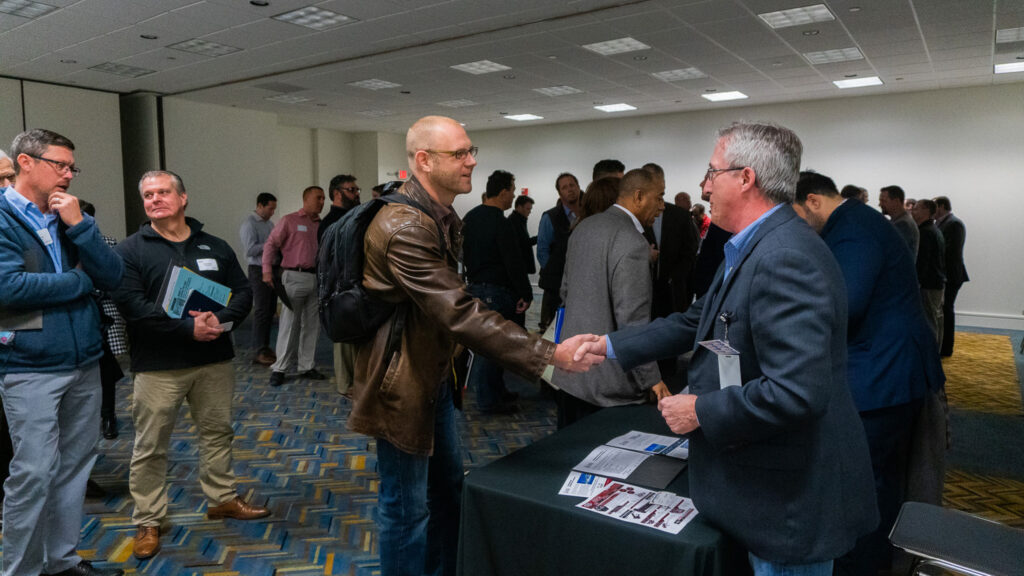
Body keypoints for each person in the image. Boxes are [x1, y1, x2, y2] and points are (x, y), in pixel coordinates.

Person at [575, 121, 876, 574]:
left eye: (712, 172)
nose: (703, 185)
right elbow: (697, 322)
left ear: (746, 177)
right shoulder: (757, 246)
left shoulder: (784, 257)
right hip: (763, 487)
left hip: (788, 504)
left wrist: (700, 411)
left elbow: (797, 392)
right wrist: (610, 345)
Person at [347, 115, 601, 576]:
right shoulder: (404, 226)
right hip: (399, 384)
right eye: (459, 154)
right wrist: (550, 354)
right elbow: (460, 311)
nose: (471, 162)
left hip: (433, 379)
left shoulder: (438, 215)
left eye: (471, 150)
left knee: (446, 496)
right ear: (423, 161)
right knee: (406, 511)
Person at [793, 171, 945, 575]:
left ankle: (864, 564)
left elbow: (844, 304)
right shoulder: (856, 222)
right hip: (887, 369)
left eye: (793, 215)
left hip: (883, 376)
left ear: (812, 201)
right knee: (880, 480)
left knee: (867, 484)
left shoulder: (853, 228)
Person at [112, 170, 268, 560]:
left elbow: (244, 291)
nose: (155, 199)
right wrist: (187, 329)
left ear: (183, 199)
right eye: (148, 194)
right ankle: (149, 519)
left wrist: (223, 320)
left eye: (163, 192)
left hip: (214, 360)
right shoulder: (130, 250)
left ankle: (222, 499)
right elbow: (132, 307)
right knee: (151, 446)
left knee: (217, 433)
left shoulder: (214, 247)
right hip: (158, 366)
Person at [0, 129, 124, 576]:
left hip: (84, 362)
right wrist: (78, 282)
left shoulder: (69, 215)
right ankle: (20, 571)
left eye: (73, 167)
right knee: (32, 475)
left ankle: (61, 562)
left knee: (74, 470)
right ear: (26, 162)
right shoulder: (1, 217)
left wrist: (81, 227)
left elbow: (111, 275)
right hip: (30, 366)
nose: (69, 174)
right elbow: (7, 288)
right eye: (61, 165)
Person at [554, 169, 669, 428]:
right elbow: (633, 323)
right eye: (659, 197)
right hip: (610, 388)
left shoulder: (583, 228)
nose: (662, 206)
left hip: (571, 374)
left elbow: (565, 292)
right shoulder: (633, 243)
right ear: (638, 197)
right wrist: (652, 379)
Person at [462, 170, 533, 414]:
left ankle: (496, 392)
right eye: (513, 190)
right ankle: (489, 400)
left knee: (487, 346)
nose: (514, 195)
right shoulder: (500, 222)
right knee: (494, 349)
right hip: (497, 291)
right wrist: (525, 292)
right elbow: (512, 262)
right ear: (503, 193)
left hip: (475, 288)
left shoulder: (469, 218)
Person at [262, 185, 326, 386]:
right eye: (319, 198)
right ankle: (280, 368)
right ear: (306, 199)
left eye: (324, 198)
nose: (322, 202)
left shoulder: (321, 225)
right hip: (293, 276)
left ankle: (306, 366)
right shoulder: (289, 221)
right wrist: (266, 270)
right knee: (289, 325)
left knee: (312, 326)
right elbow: (271, 245)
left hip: (316, 279)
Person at [79, 200, 128, 440]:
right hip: (76, 317)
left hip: (104, 313)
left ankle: (108, 416)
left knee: (105, 372)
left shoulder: (106, 243)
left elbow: (117, 279)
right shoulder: (58, 246)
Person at [536, 172, 581, 331]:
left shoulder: (589, 213)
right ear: (559, 193)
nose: (570, 190)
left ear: (578, 187)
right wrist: (555, 275)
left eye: (572, 185)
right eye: (564, 187)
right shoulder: (550, 217)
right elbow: (542, 251)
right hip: (557, 287)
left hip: (583, 283)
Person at [239, 192, 277, 366]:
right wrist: (270, 246)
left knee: (270, 310)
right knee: (261, 310)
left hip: (271, 268)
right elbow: (249, 250)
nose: (272, 212)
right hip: (257, 269)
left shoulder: (270, 224)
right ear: (260, 206)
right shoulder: (249, 224)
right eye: (270, 208)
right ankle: (257, 349)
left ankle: (265, 346)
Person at [934, 196, 968, 357]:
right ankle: (944, 346)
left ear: (941, 206)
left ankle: (946, 348)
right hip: (946, 274)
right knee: (944, 310)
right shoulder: (942, 223)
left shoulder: (954, 224)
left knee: (947, 309)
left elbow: (951, 252)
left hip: (951, 275)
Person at [912, 199, 946, 344]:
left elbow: (923, 261)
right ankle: (934, 353)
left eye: (917, 209)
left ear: (926, 211)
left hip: (928, 284)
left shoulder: (925, 232)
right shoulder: (934, 230)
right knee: (935, 318)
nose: (913, 211)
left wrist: (917, 282)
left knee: (929, 320)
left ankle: (931, 356)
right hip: (935, 282)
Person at [879, 185, 919, 256]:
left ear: (896, 201)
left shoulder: (903, 224)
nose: (880, 204)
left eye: (883, 201)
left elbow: (891, 251)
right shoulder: (899, 220)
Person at [319, 174, 360, 242]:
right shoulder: (329, 224)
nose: (357, 194)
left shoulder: (356, 217)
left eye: (357, 190)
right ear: (337, 193)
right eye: (351, 190)